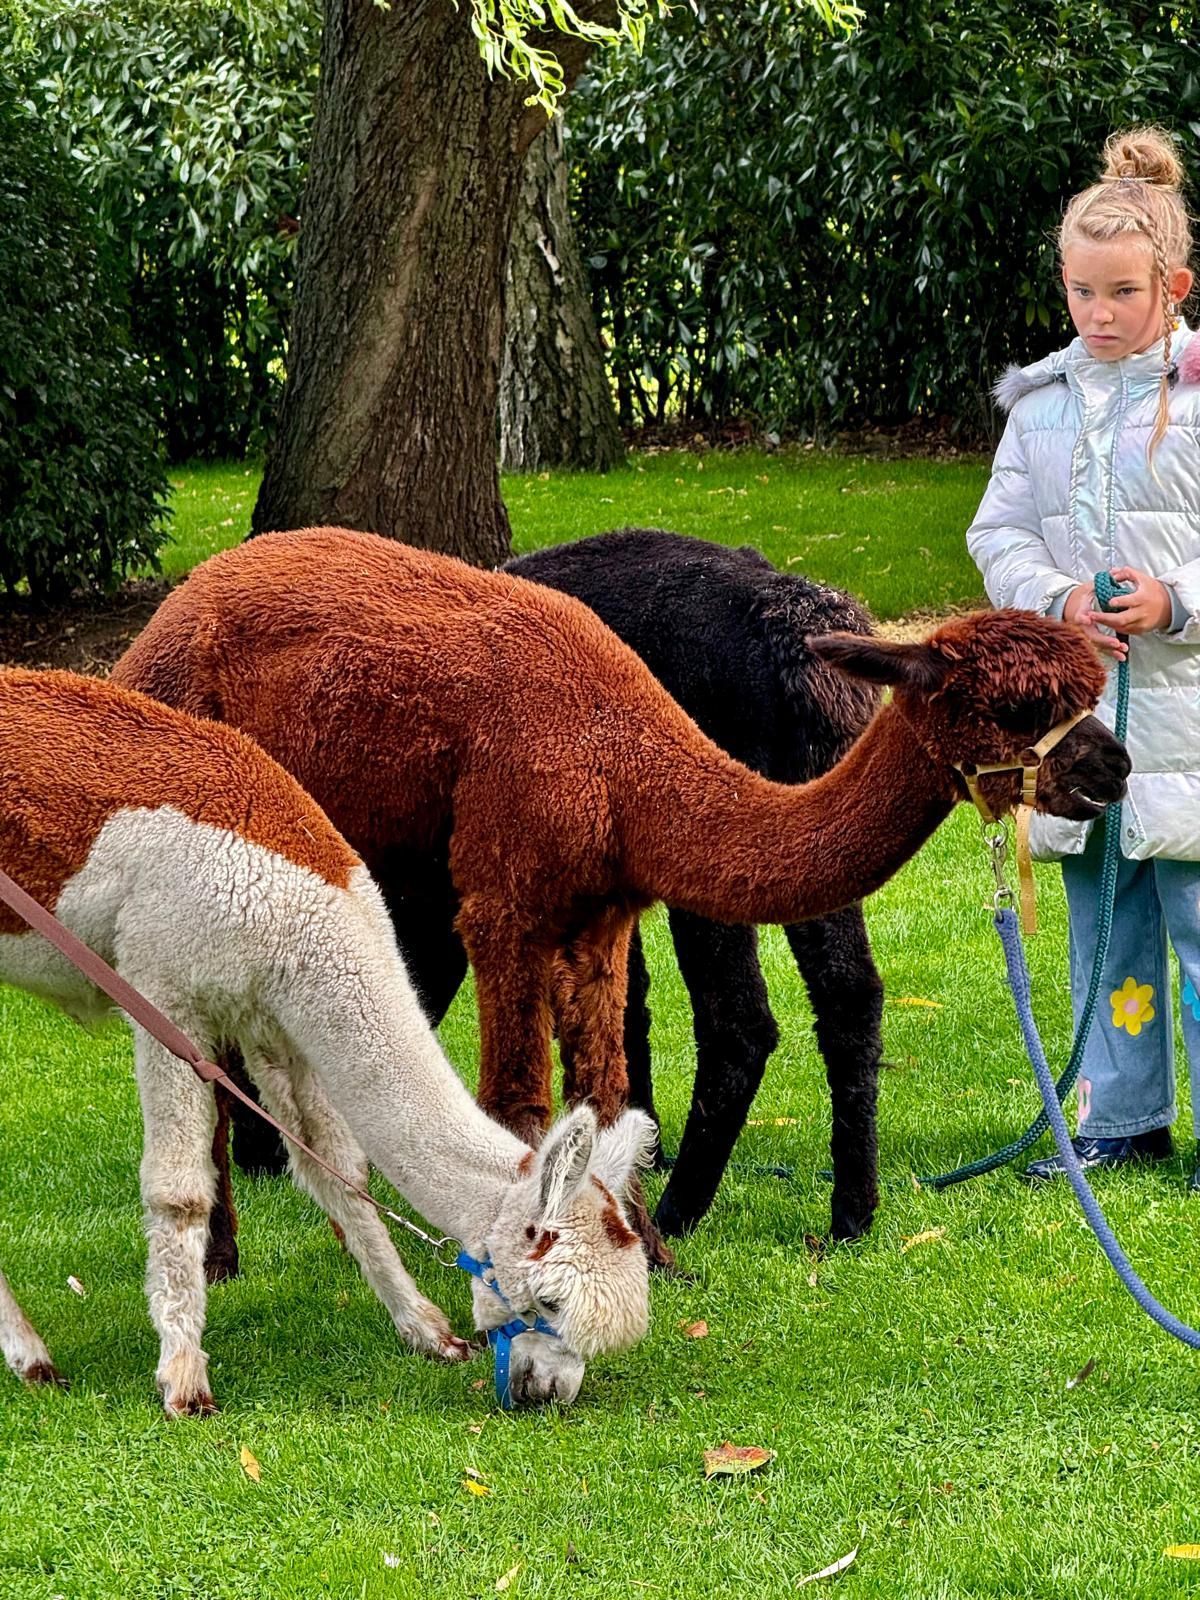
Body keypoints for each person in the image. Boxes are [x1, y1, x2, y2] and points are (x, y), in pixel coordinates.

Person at [966, 126, 1200, 1185]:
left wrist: (1175, 601)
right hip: (1085, 723)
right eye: (1080, 292)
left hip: (1190, 724)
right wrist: (1057, 599)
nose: (1097, 314)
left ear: (1174, 287)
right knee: (1105, 931)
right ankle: (1121, 1116)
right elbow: (998, 534)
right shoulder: (1042, 406)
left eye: (1122, 293)